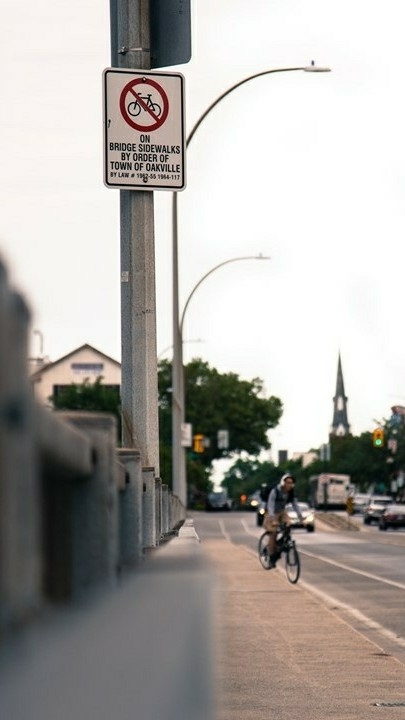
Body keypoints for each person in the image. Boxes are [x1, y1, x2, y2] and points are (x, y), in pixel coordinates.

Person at [263, 473, 302, 567]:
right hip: (272, 512)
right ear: (283, 483)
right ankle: (271, 557)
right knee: (273, 533)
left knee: (288, 525)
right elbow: (270, 505)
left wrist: (300, 516)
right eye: (287, 482)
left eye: (291, 483)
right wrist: (273, 519)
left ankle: (281, 544)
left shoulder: (291, 492)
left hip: (282, 511)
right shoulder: (275, 491)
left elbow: (295, 505)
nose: (289, 485)